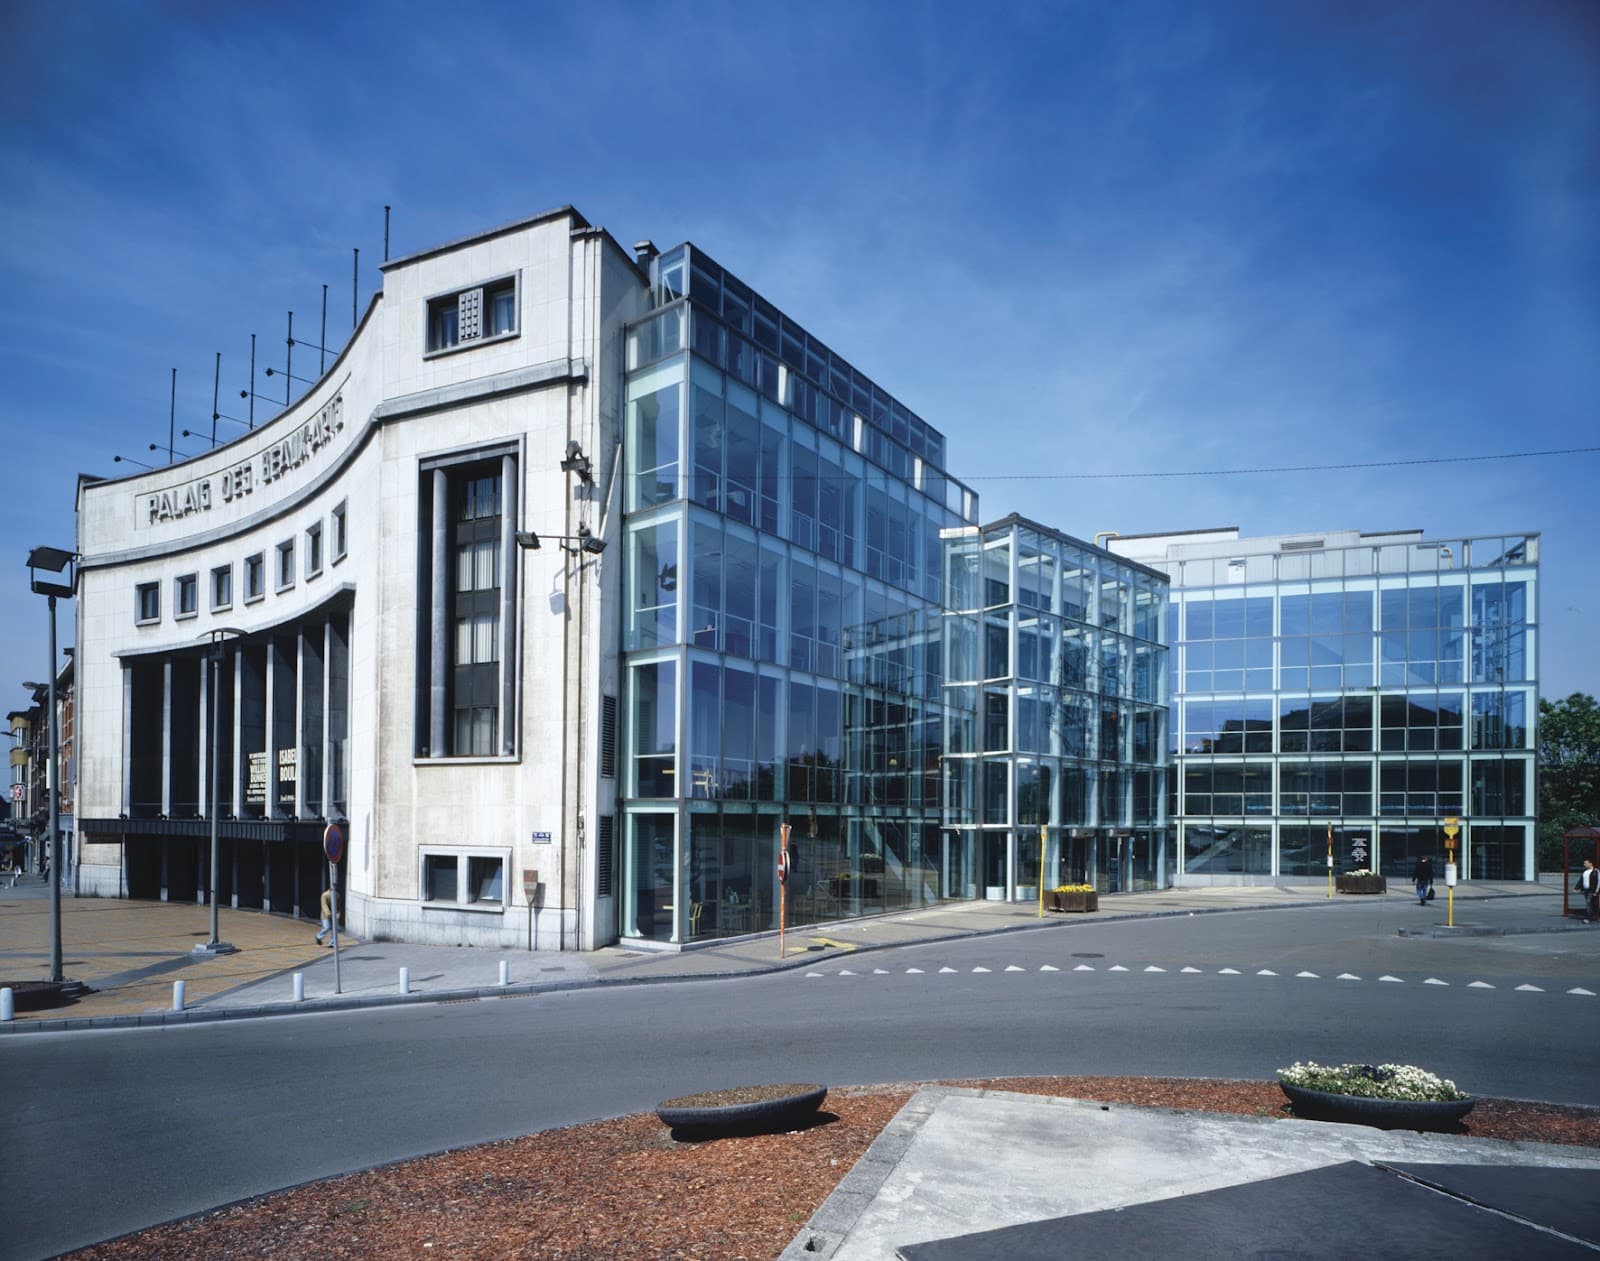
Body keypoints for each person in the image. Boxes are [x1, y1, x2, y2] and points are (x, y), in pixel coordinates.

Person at [1576, 858, 1599, 925]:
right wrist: (1576, 888)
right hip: (1585, 890)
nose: (1584, 864)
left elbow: (1598, 882)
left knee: (1588, 903)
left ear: (1590, 863)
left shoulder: (1596, 871)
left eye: (1585, 863)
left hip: (1592, 891)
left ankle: (1588, 918)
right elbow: (1581, 880)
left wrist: (1596, 891)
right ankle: (1594, 915)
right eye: (1584, 863)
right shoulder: (1585, 872)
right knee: (1591, 904)